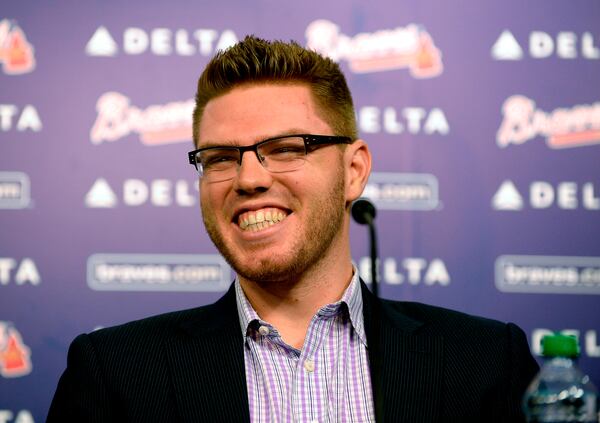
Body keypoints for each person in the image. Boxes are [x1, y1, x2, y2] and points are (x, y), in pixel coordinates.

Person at [48, 36, 539, 422]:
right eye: (219, 158)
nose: (249, 178)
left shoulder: (488, 361)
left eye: (286, 148)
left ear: (354, 170)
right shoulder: (114, 373)